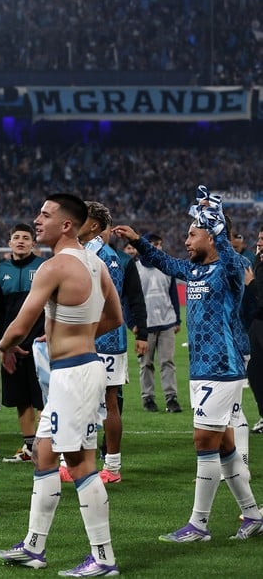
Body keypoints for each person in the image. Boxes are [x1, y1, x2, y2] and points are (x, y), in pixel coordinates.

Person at [113, 185, 263, 541]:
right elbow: (165, 262)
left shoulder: (231, 267)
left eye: (193, 235)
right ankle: (253, 516)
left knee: (203, 442)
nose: (186, 241)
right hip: (200, 370)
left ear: (211, 238)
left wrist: (219, 230)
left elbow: (228, 258)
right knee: (223, 444)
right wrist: (140, 241)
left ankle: (199, 524)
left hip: (222, 368)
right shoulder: (194, 271)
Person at [0, 193, 123, 576]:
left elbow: (20, 324)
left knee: (81, 463)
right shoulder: (95, 263)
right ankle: (34, 547)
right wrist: (74, 333)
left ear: (66, 225)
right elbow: (114, 317)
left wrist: (2, 349)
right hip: (79, 368)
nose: (37, 220)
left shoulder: (54, 267)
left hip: (74, 376)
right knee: (45, 455)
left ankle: (104, 558)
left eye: (45, 215)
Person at [78, 201, 148, 485]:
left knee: (99, 403)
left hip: (95, 337)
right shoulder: (108, 255)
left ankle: (102, 466)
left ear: (94, 224)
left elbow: (97, 299)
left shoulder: (96, 255)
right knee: (101, 403)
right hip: (107, 337)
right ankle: (102, 466)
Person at [0, 223, 46, 464]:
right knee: (20, 399)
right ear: (10, 242)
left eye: (26, 237)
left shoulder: (43, 268)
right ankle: (30, 446)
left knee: (43, 398)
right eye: (16, 237)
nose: (21, 241)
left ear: (34, 244)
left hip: (40, 344)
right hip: (11, 347)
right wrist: (1, 343)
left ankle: (45, 446)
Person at [135, 233, 182, 413]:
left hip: (167, 322)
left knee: (167, 362)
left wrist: (177, 318)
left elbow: (173, 295)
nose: (158, 247)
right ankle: (148, 398)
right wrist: (133, 322)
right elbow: (130, 298)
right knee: (146, 364)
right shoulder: (136, 268)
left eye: (160, 244)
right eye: (154, 243)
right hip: (145, 326)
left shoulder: (166, 267)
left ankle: (171, 398)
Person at [248, 226, 263, 434]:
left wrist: (250, 284)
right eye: (259, 238)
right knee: (255, 371)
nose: (259, 242)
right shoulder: (258, 261)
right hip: (258, 323)